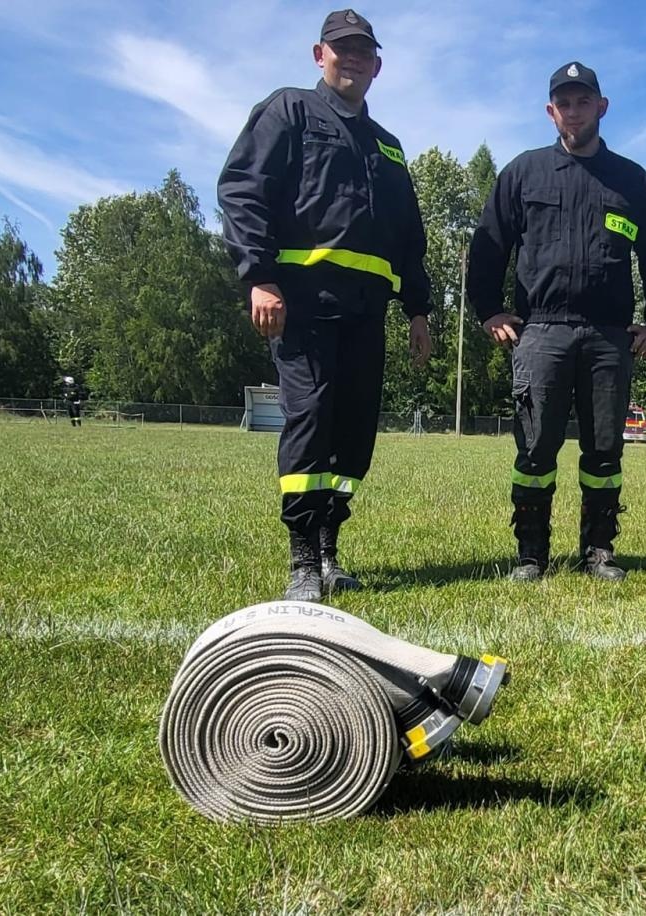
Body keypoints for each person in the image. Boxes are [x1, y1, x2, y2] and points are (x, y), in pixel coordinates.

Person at [218, 9, 432, 601]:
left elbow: (408, 237)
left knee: (353, 432)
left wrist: (418, 309)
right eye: (341, 49)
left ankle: (331, 549)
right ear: (320, 55)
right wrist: (258, 277)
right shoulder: (289, 110)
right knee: (310, 420)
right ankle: (302, 562)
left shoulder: (388, 148)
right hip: (303, 306)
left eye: (363, 51)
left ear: (377, 66)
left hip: (368, 311)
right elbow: (243, 192)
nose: (352, 59)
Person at [465, 62, 646, 582]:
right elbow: (487, 248)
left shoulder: (632, 181)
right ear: (550, 111)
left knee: (604, 448)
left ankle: (599, 551)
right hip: (541, 331)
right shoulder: (523, 173)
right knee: (535, 449)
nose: (574, 110)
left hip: (609, 335)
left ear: (601, 107)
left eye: (583, 100)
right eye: (564, 102)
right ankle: (531, 554)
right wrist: (489, 310)